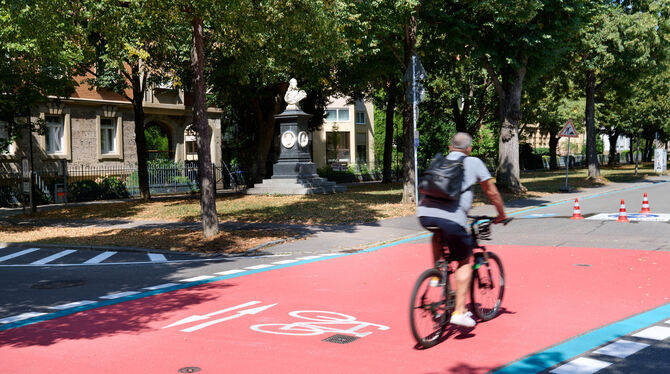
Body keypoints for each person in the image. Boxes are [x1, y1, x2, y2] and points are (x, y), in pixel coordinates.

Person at [417, 132, 508, 328]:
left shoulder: (439, 161)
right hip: (452, 219)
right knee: (465, 260)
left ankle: (437, 274)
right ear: (469, 149)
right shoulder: (473, 162)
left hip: (424, 214)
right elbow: (491, 192)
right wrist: (501, 214)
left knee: (438, 232)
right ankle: (459, 311)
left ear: (450, 147)